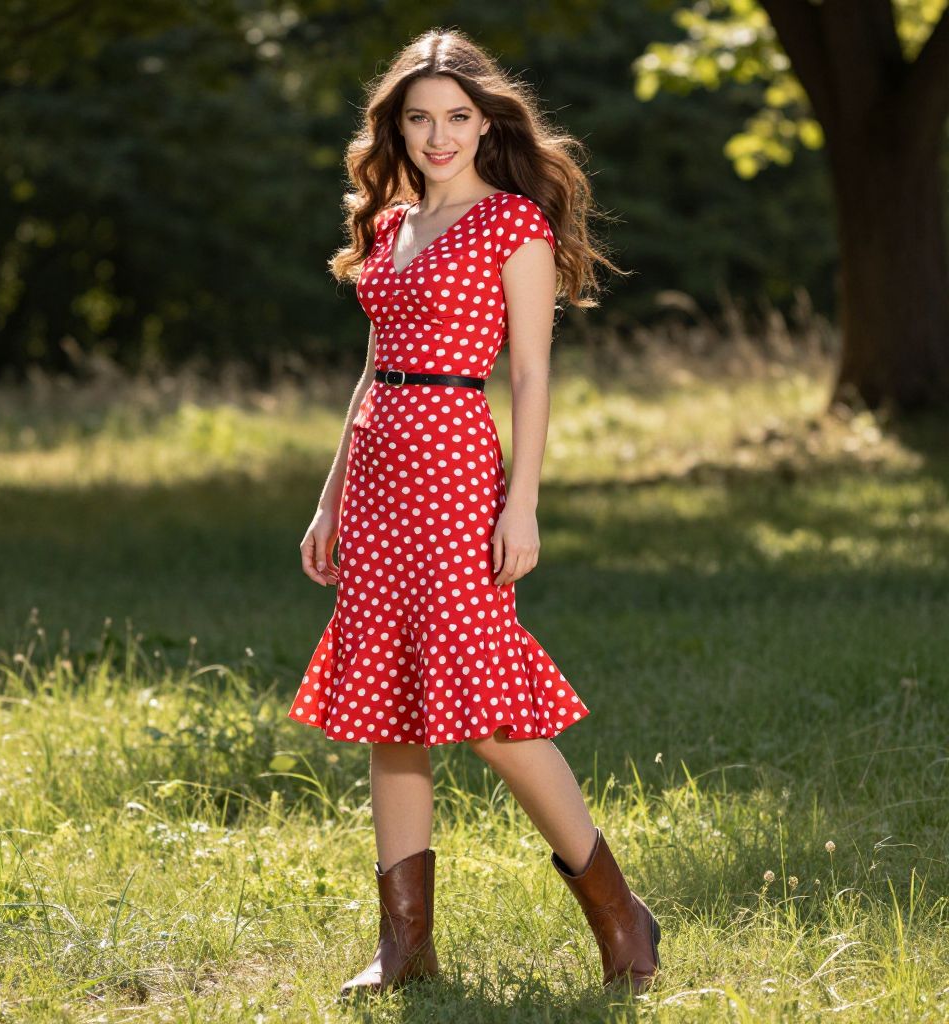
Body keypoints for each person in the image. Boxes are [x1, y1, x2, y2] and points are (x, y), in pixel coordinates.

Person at [286, 26, 661, 1001]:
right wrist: (329, 496)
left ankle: (621, 914)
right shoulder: (387, 225)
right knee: (388, 704)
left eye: (456, 117)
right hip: (375, 472)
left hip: (456, 465)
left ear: (485, 120)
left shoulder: (514, 227)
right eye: (418, 118)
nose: (437, 135)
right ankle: (405, 947)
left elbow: (532, 375)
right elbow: (372, 366)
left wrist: (522, 502)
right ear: (396, 127)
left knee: (489, 707)